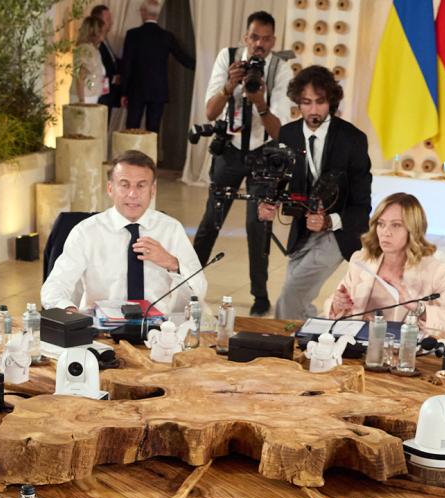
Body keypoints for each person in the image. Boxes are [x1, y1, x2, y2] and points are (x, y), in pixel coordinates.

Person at [192, 10, 290, 317]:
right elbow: (209, 113)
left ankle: (259, 294)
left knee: (258, 224)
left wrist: (261, 102)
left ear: (274, 41)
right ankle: (187, 284)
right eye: (254, 37)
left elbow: (279, 131)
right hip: (230, 149)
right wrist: (228, 87)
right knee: (211, 219)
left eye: (266, 39)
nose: (259, 44)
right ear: (245, 38)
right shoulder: (228, 58)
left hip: (264, 152)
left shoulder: (280, 69)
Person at [257, 66, 371, 322]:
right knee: (300, 302)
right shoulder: (288, 134)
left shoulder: (352, 139)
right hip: (302, 231)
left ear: (331, 101)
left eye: (320, 102)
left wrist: (329, 220)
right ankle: (316, 343)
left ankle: (280, 354)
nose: (313, 110)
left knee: (291, 296)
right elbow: (277, 179)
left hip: (340, 233)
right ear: (298, 102)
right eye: (306, 102)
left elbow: (363, 205)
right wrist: (268, 203)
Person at [42, 150, 203, 314]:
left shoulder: (171, 229)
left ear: (152, 190)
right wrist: (69, 311)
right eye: (124, 185)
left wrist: (172, 263)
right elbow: (54, 287)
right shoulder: (86, 232)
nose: (133, 194)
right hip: (101, 329)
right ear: (110, 188)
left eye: (141, 185)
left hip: (158, 330)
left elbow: (200, 290)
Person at [326, 193, 445, 334]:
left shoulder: (433, 270)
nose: (385, 232)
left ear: (413, 229)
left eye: (396, 225)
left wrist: (416, 307)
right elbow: (333, 305)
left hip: (402, 351)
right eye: (381, 224)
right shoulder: (361, 259)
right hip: (357, 347)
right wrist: (337, 305)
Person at [119, 1, 193, 133]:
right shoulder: (166, 36)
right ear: (157, 14)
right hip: (158, 90)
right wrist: (202, 66)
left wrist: (123, 92)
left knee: (131, 129)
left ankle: (130, 153)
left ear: (144, 13)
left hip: (136, 90)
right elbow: (183, 58)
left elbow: (127, 65)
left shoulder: (133, 35)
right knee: (153, 131)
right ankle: (150, 154)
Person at [90, 4, 122, 116]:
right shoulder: (94, 44)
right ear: (98, 21)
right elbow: (95, 70)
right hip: (99, 97)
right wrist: (114, 79)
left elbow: (112, 61)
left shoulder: (105, 41)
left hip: (108, 94)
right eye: (108, 19)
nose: (111, 22)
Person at [72, 15, 110, 105]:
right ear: (95, 32)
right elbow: (80, 76)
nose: (105, 33)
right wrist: (81, 101)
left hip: (90, 96)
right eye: (103, 31)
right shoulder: (85, 50)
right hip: (85, 97)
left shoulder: (92, 49)